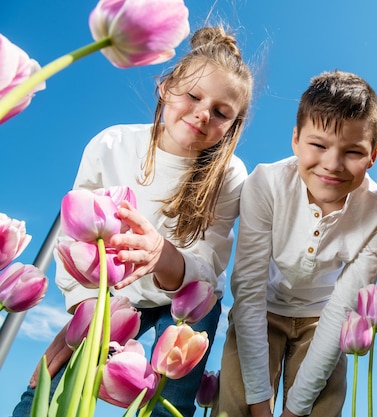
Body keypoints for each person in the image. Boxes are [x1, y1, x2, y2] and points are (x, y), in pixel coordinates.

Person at [12, 25, 253, 417]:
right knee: (57, 378)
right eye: (193, 95)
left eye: (221, 112)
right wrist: (85, 310)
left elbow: (207, 264)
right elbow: (74, 239)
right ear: (166, 86)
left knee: (168, 402)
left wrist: (160, 253)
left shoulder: (228, 175)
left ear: (232, 127)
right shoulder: (112, 145)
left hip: (186, 297)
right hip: (112, 293)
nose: (203, 112)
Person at [211, 70, 377, 417]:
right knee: (235, 405)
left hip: (322, 317)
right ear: (296, 139)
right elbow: (249, 290)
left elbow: (344, 305)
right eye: (318, 145)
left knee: (320, 406)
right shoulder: (265, 184)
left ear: (373, 155)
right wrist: (259, 404)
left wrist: (294, 410)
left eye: (353, 151)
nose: (332, 164)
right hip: (262, 309)